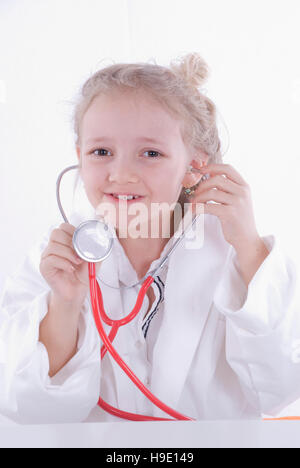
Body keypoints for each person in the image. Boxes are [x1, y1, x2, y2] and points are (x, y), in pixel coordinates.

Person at [1, 53, 300, 424]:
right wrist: (63, 303)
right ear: (80, 157)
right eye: (102, 152)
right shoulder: (55, 259)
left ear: (194, 168)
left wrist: (251, 248)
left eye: (151, 153)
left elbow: (281, 389)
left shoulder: (237, 255)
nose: (121, 173)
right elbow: (31, 412)